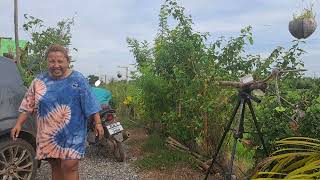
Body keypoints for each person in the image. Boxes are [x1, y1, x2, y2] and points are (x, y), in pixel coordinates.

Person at [10, 44, 104, 180]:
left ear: (67, 61)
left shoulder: (78, 79)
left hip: (73, 132)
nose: (56, 65)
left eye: (60, 61)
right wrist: (18, 124)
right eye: (51, 61)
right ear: (47, 62)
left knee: (70, 165)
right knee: (56, 165)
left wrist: (98, 123)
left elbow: (90, 102)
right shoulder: (39, 81)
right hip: (48, 134)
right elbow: (27, 105)